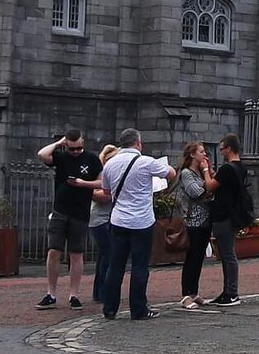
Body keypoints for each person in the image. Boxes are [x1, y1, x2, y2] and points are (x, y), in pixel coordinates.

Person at [99, 129, 174, 321]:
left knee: (115, 266)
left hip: (118, 220)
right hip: (141, 221)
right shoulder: (146, 162)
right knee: (140, 266)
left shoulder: (110, 164)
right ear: (138, 143)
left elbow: (106, 190)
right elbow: (171, 173)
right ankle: (138, 309)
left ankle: (109, 308)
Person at [35, 129, 102, 310]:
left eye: (78, 148)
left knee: (76, 254)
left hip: (80, 212)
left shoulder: (92, 159)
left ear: (83, 143)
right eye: (72, 149)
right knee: (53, 251)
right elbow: (42, 155)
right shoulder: (61, 157)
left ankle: (74, 294)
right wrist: (58, 144)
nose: (75, 152)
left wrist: (83, 184)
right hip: (60, 210)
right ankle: (51, 293)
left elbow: (102, 182)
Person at [200, 134, 251, 307]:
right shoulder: (240, 167)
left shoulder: (227, 169)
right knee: (226, 253)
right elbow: (222, 183)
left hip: (224, 215)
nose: (220, 152)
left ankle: (232, 293)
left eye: (222, 149)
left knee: (228, 254)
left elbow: (210, 186)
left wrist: (206, 170)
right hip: (233, 214)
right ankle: (227, 291)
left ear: (229, 148)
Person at [175, 141, 216, 308]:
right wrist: (209, 186)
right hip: (193, 221)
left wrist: (208, 174)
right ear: (192, 155)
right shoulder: (187, 173)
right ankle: (186, 295)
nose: (204, 155)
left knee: (199, 258)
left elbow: (212, 188)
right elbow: (197, 192)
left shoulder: (200, 174)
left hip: (205, 221)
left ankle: (194, 292)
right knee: (191, 258)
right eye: (201, 152)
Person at [82, 143, 118, 304]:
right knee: (109, 253)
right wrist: (116, 193)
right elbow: (96, 195)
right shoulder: (101, 174)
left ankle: (99, 291)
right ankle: (103, 291)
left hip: (109, 219)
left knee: (104, 255)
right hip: (99, 219)